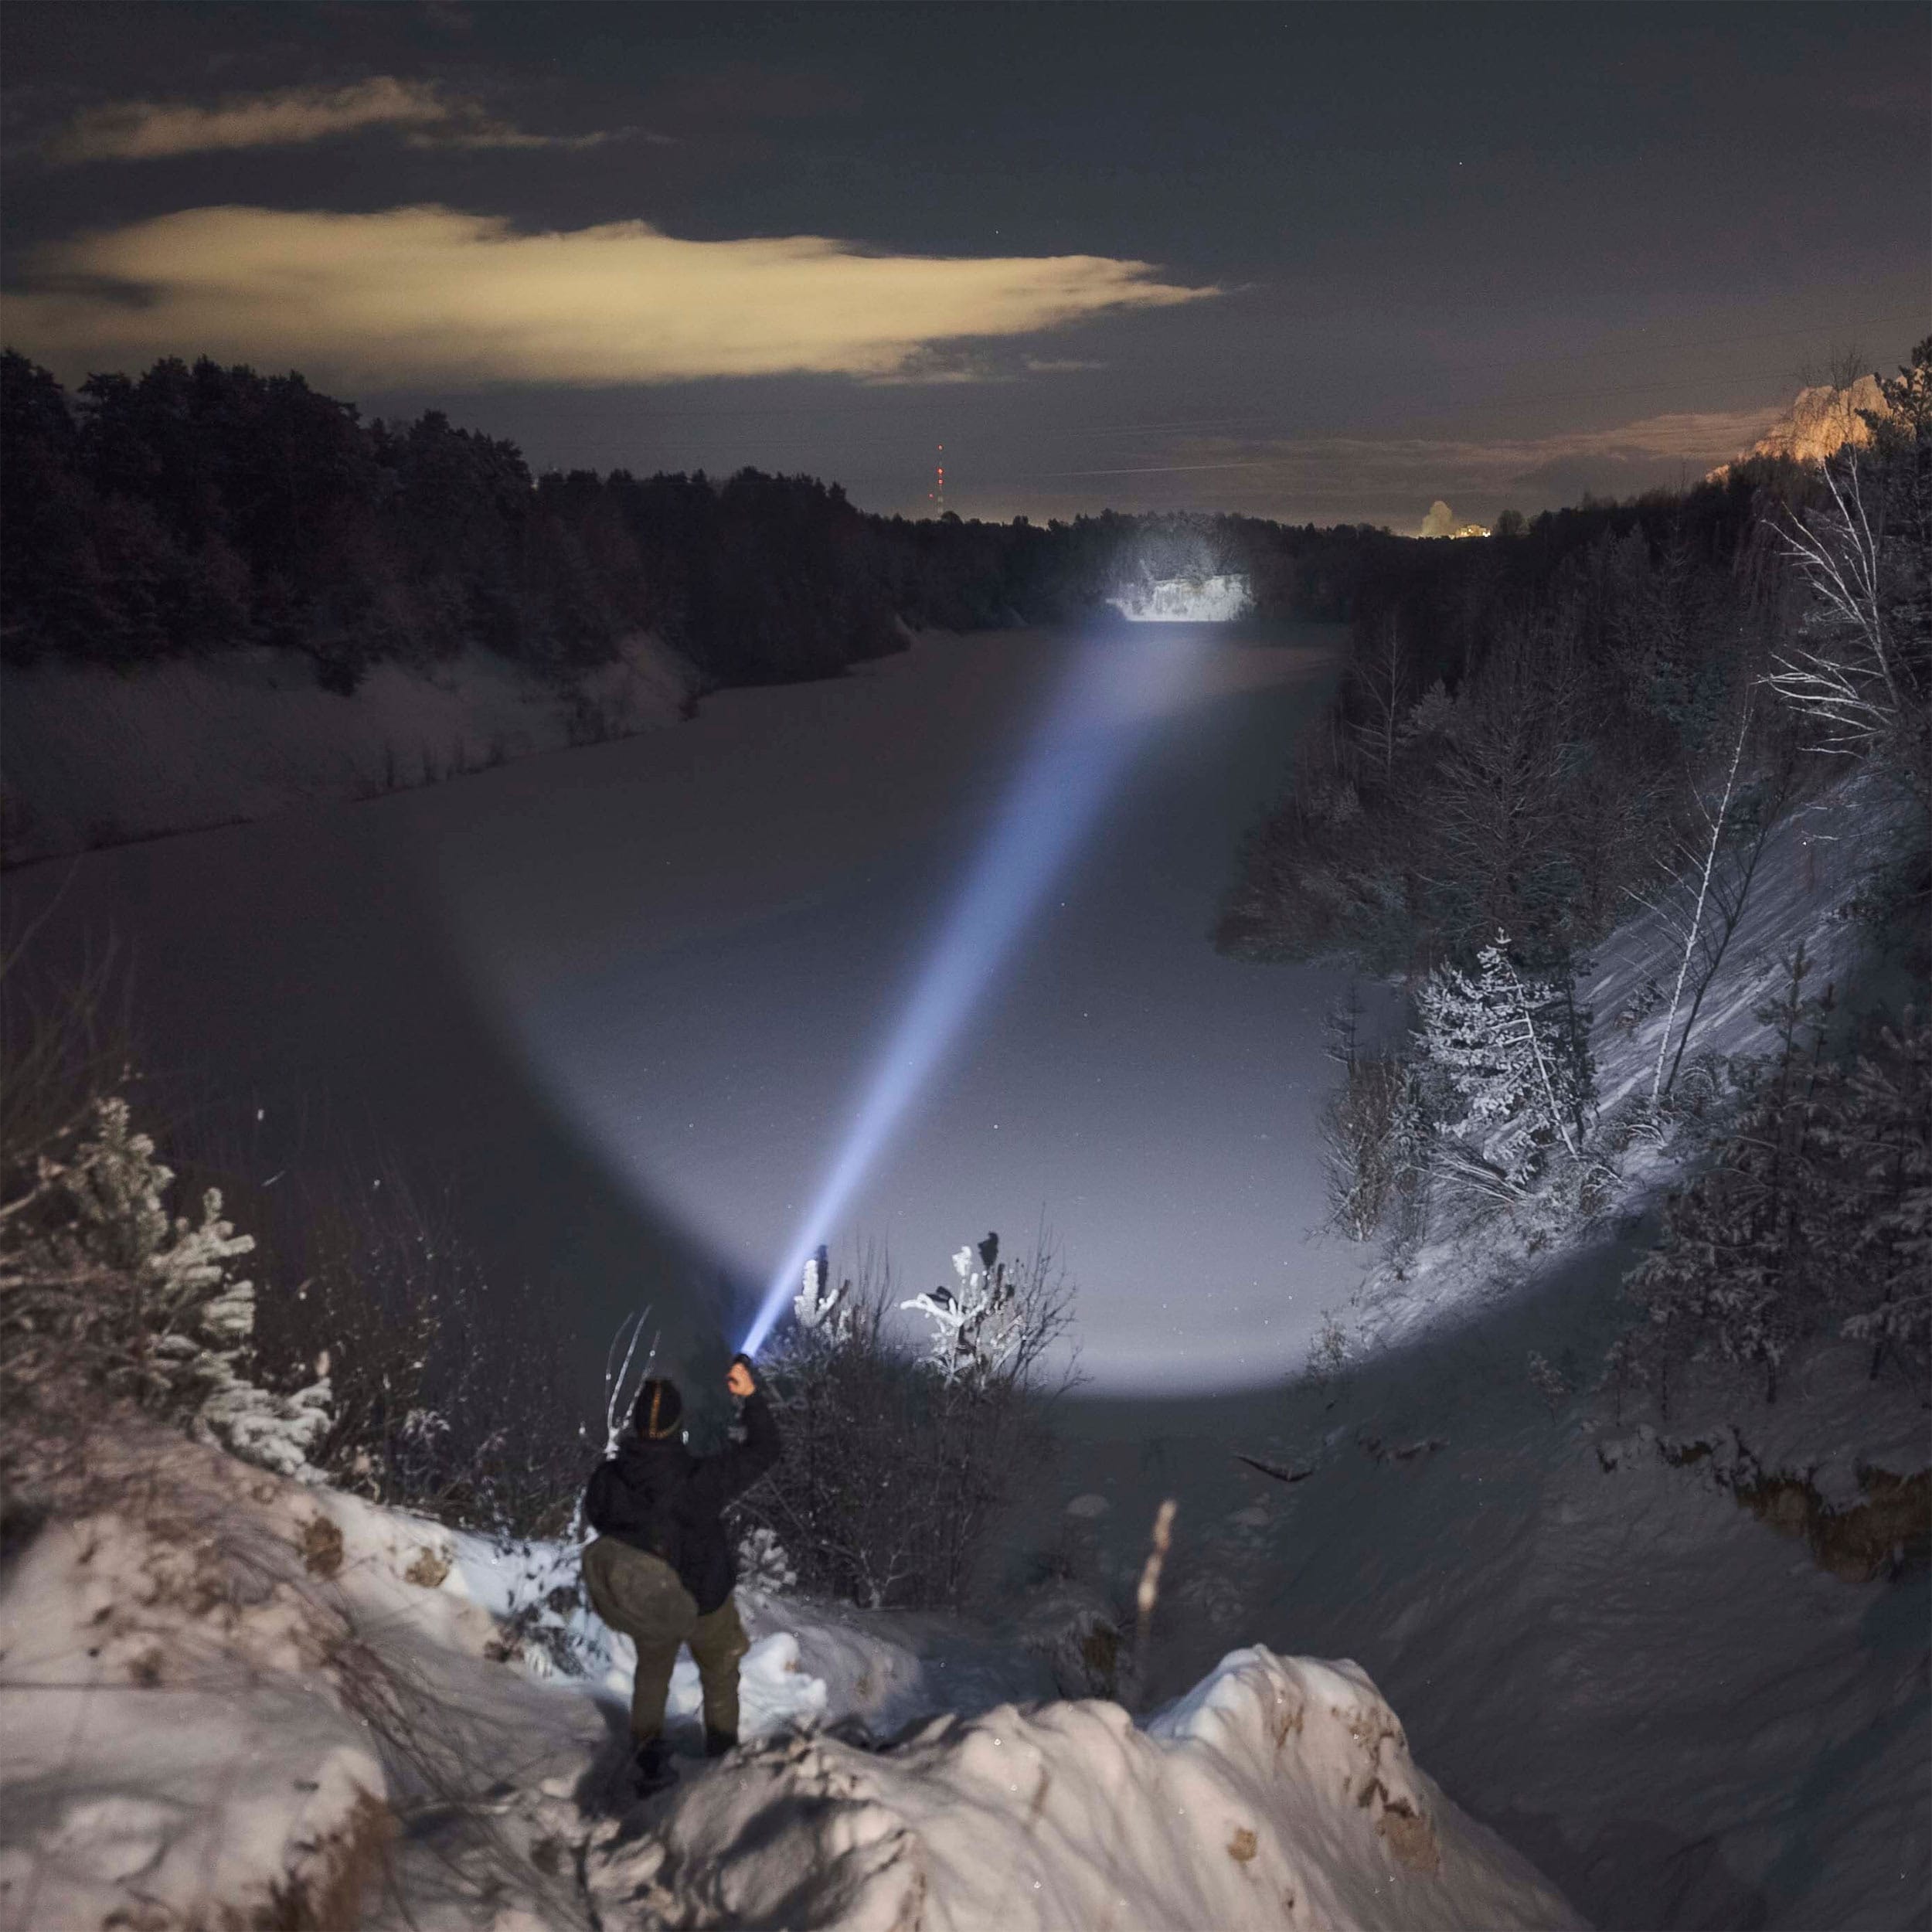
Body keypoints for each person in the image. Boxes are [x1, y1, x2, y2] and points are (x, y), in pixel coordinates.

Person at [581, 1352, 781, 1791]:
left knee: (652, 1673)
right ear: (677, 1425)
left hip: (652, 1601)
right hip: (705, 1598)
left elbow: (598, 1516)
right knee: (720, 1674)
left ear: (636, 1423)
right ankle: (722, 1759)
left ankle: (648, 1757)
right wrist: (751, 1399)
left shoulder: (610, 1479)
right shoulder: (699, 1480)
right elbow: (766, 1450)